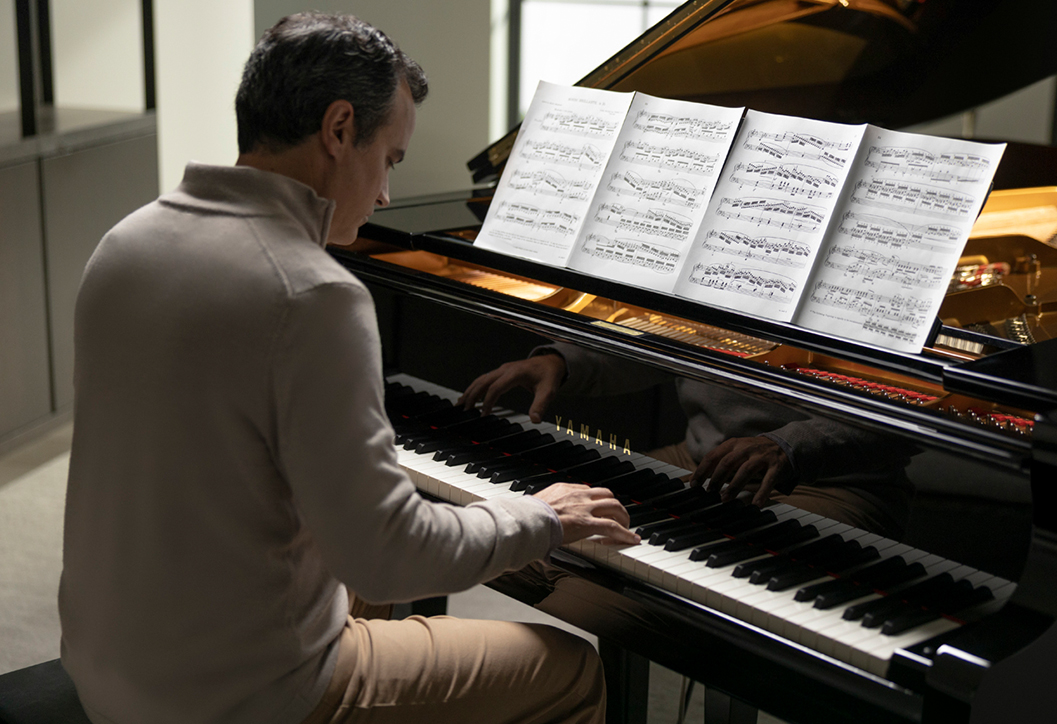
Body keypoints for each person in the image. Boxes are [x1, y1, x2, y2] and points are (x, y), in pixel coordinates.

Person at [58, 13, 637, 724]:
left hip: (108, 658)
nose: (389, 195)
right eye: (391, 158)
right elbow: (388, 556)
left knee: (363, 594)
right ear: (338, 130)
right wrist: (538, 516)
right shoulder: (313, 293)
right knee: (570, 669)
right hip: (238, 694)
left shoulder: (126, 241)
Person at [460, 343, 916, 539]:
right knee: (540, 545)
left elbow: (919, 405)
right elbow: (663, 339)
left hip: (833, 482)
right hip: (700, 460)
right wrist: (564, 360)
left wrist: (793, 444)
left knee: (589, 585)